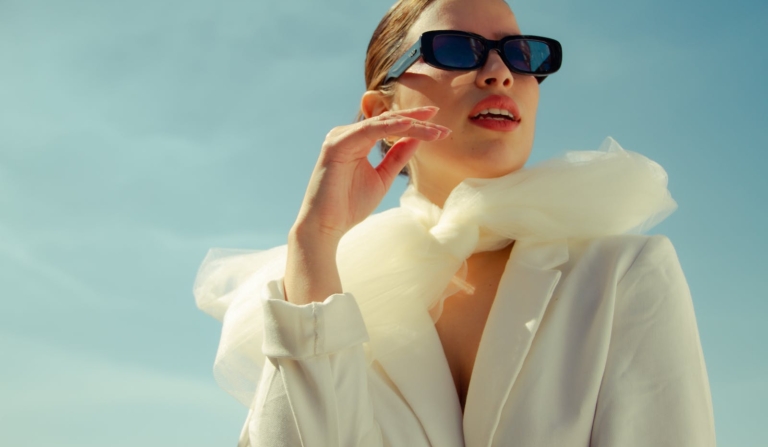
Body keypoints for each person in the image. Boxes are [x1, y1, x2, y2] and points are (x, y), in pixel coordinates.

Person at [194, 0, 716, 445]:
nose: (500, 73)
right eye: (455, 48)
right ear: (380, 108)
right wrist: (315, 239)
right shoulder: (324, 292)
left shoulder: (623, 272)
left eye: (521, 53)